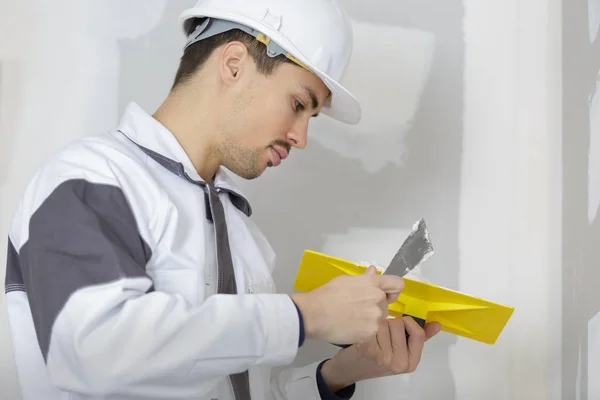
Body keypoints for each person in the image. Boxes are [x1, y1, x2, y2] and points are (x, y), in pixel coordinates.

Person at [3, 0, 441, 399]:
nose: (301, 137)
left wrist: (338, 374)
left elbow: (236, 389)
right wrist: (307, 315)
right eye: (297, 103)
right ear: (234, 64)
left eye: (311, 117)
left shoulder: (241, 231)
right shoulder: (93, 178)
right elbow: (93, 351)